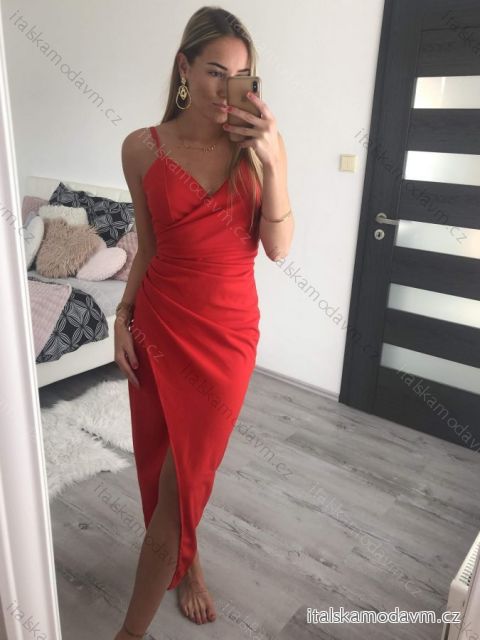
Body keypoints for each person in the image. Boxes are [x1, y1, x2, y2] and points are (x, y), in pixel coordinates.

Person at [113, 6, 293, 637]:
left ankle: (129, 631)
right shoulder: (141, 148)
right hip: (157, 324)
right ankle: (189, 566)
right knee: (163, 465)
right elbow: (148, 245)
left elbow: (278, 248)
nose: (227, 89)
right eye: (215, 71)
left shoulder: (259, 150)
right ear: (184, 69)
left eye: (241, 76)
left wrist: (274, 163)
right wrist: (121, 315)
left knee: (185, 477)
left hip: (225, 339)